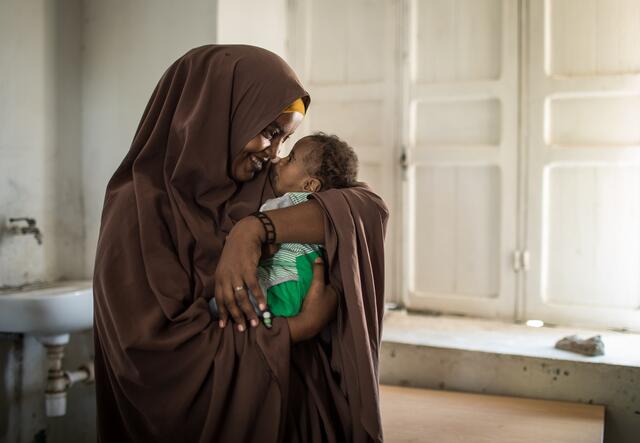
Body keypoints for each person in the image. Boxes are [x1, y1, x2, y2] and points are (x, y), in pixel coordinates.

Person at [93, 44, 388, 443]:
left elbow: (365, 208)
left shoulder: (252, 181)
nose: (274, 154)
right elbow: (149, 354)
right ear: (213, 115)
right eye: (268, 133)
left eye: (284, 140)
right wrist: (294, 330)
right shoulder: (138, 208)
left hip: (297, 407)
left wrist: (253, 230)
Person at [208, 132, 359, 326]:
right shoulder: (323, 207)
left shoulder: (290, 202)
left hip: (288, 274)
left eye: (290, 159)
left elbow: (259, 223)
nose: (279, 160)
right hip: (305, 278)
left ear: (310, 185)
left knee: (240, 299)